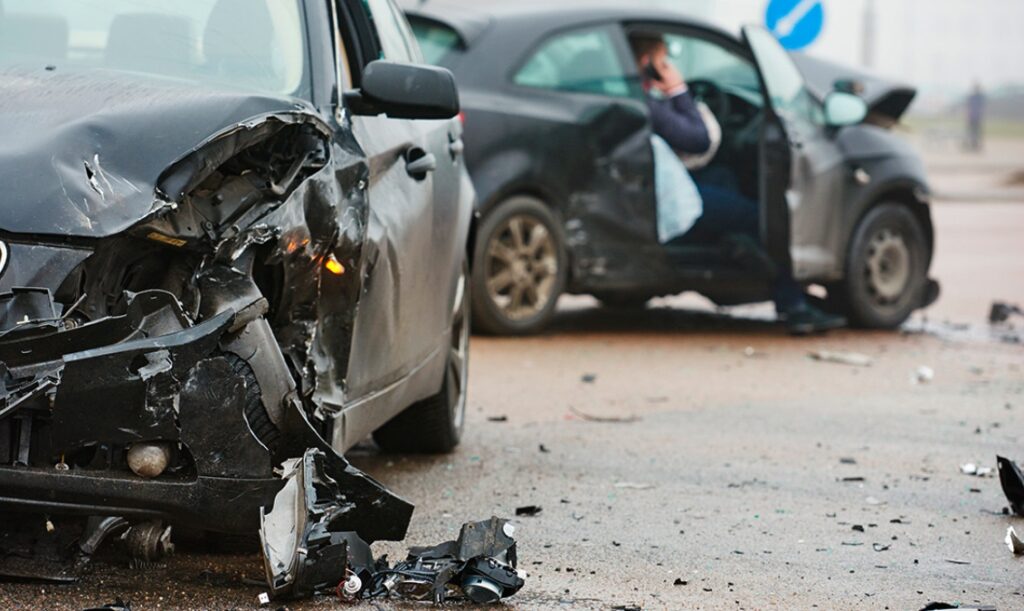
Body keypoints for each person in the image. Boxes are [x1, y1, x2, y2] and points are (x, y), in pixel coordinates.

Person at [630, 32, 846, 335]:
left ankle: (731, 249)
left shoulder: (633, 97)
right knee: (761, 217)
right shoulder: (645, 103)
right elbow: (697, 139)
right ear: (647, 62)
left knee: (725, 179)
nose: (668, 66)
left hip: (655, 187)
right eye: (663, 61)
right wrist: (678, 90)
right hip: (662, 198)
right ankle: (793, 303)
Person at [966, 82, 985, 153]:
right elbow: (968, 106)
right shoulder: (974, 97)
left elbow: (981, 107)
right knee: (972, 132)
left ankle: (976, 145)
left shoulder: (979, 97)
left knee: (976, 132)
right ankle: (973, 144)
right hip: (973, 117)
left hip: (976, 117)